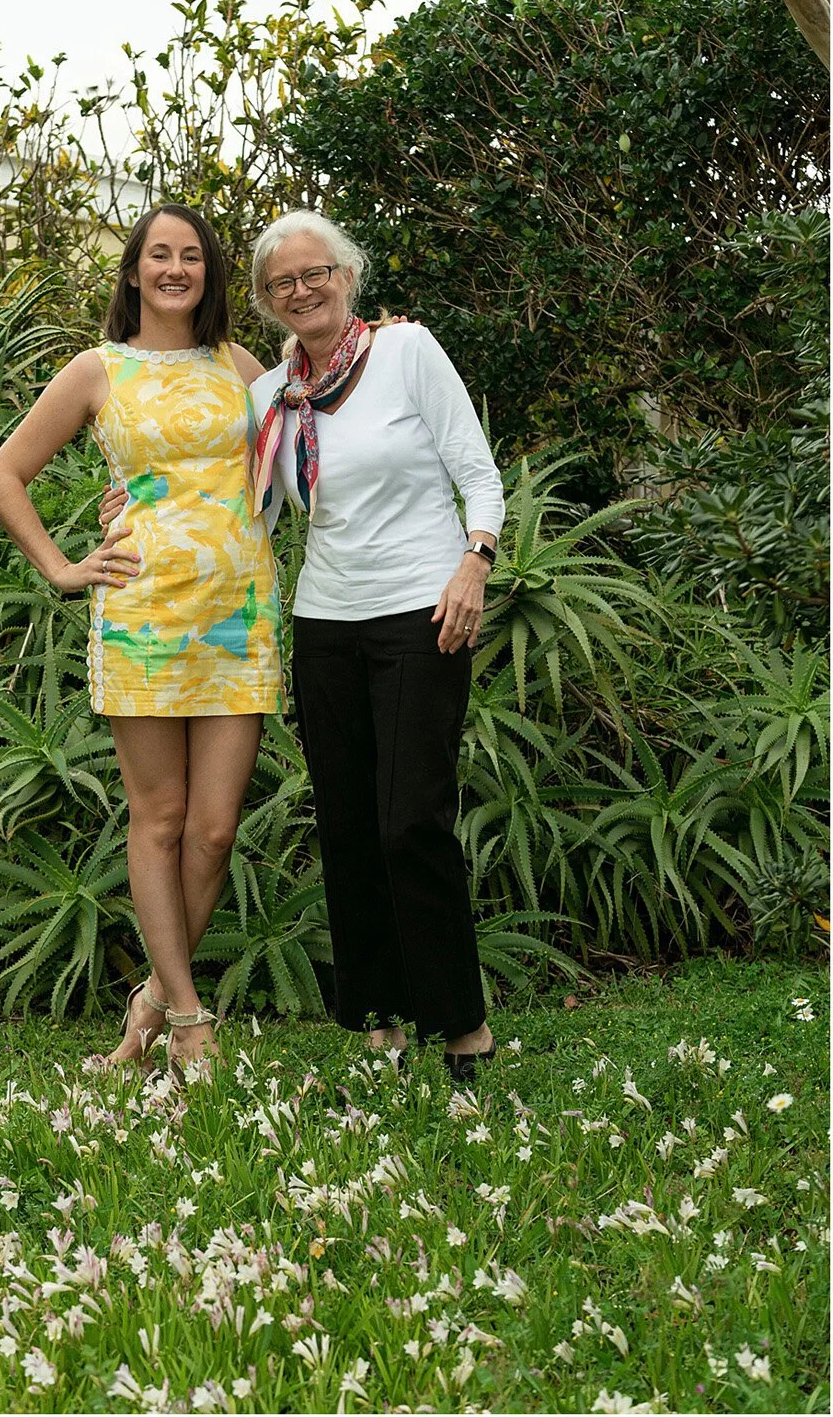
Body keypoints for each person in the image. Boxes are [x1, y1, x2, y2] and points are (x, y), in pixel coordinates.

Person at [0, 203, 281, 1076]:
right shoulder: (97, 369)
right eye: (160, 255)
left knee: (216, 829)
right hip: (144, 616)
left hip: (240, 617)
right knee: (159, 817)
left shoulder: (240, 365)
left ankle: (147, 1002)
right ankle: (187, 1018)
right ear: (134, 270)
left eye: (191, 256)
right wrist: (64, 566)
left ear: (210, 272)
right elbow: (3, 473)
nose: (175, 269)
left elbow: (296, 460)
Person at [246, 209, 502, 1080]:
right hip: (325, 621)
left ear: (347, 274)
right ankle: (377, 1025)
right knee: (350, 826)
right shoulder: (274, 395)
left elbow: (477, 471)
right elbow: (228, 499)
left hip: (421, 611)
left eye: (316, 272)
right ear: (268, 301)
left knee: (411, 823)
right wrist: (132, 506)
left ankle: (462, 1028)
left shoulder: (407, 352)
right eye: (284, 282)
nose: (303, 289)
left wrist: (475, 562)